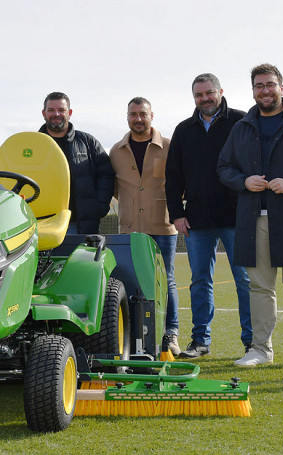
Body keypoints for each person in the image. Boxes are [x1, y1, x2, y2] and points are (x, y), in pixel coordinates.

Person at [217, 64, 283, 369]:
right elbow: (224, 167)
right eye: (259, 85)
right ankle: (260, 349)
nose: (265, 90)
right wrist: (243, 182)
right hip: (252, 217)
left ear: (282, 86)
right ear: (253, 90)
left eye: (270, 84)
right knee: (260, 286)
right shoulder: (242, 126)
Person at [165, 73, 251, 358]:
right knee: (200, 281)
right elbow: (173, 177)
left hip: (237, 217)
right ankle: (200, 341)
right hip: (197, 220)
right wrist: (177, 214)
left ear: (220, 91)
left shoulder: (240, 121)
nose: (205, 99)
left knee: (245, 281)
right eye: (199, 95)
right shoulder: (184, 130)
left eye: (209, 93)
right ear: (194, 98)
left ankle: (253, 342)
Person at [110, 97, 181, 355]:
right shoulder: (116, 151)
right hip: (130, 229)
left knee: (167, 280)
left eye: (142, 114)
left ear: (152, 116)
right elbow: (117, 190)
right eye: (133, 114)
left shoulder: (170, 147)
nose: (138, 119)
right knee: (129, 282)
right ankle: (134, 334)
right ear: (127, 116)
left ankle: (170, 334)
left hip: (162, 227)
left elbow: (179, 184)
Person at [39, 92, 114, 234]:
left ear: (70, 112)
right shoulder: (33, 145)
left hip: (81, 225)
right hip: (43, 225)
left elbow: (106, 175)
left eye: (61, 110)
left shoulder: (88, 142)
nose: (56, 114)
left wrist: (99, 207)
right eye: (51, 110)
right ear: (43, 113)